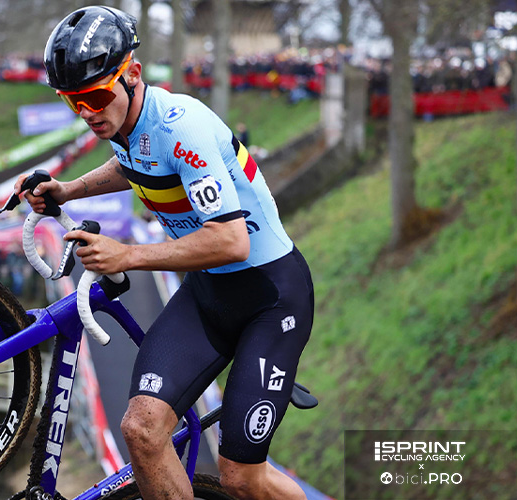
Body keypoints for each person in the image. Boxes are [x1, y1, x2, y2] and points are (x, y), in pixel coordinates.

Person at [16, 6, 314, 500]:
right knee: (142, 430)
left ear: (132, 75)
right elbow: (134, 165)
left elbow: (230, 240)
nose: (88, 112)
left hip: (270, 298)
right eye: (74, 102)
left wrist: (128, 255)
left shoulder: (182, 124)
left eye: (95, 96)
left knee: (241, 478)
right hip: (209, 294)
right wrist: (67, 191)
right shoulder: (132, 126)